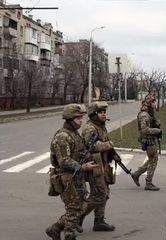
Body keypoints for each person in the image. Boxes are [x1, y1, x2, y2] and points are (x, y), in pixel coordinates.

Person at [46, 104, 97, 240]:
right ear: (69, 119)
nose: (81, 120)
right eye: (78, 118)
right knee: (74, 208)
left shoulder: (74, 134)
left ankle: (55, 228)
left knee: (81, 206)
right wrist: (83, 167)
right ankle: (69, 235)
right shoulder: (62, 136)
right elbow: (63, 160)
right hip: (66, 177)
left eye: (81, 117)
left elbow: (77, 153)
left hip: (76, 177)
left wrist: (86, 155)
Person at [77, 101, 117, 232]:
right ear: (94, 114)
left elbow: (103, 142)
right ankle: (78, 217)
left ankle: (99, 221)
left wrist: (113, 155)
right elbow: (92, 146)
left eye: (104, 112)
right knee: (99, 194)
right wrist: (109, 144)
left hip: (103, 164)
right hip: (94, 166)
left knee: (104, 193)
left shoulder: (100, 126)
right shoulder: (90, 128)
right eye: (101, 112)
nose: (104, 114)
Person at [131, 94, 162, 191]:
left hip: (151, 140)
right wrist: (157, 131)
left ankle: (137, 174)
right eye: (153, 101)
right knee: (153, 160)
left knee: (152, 159)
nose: (155, 103)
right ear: (148, 103)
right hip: (148, 141)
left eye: (155, 101)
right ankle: (148, 183)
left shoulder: (150, 112)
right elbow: (144, 130)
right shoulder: (144, 115)